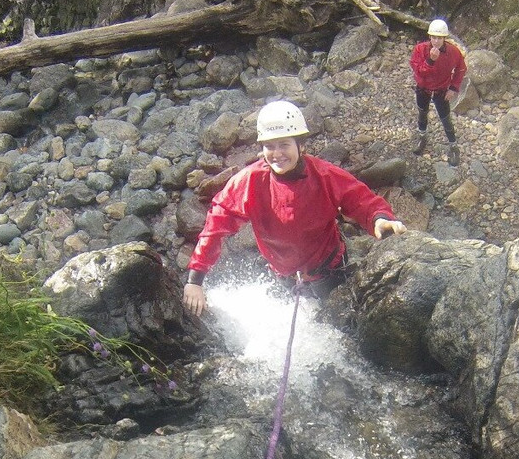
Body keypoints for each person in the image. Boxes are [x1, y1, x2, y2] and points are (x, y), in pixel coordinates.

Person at [182, 100, 407, 316]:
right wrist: (195, 280)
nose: (277, 153)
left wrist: (379, 218)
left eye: (284, 144)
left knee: (338, 321)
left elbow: (360, 199)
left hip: (329, 270)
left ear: (300, 145)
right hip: (282, 272)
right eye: (270, 146)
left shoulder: (324, 175)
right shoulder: (250, 181)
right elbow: (216, 224)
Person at [409, 19, 467, 167]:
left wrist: (453, 87)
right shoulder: (420, 50)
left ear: (444, 38)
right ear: (429, 37)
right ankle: (422, 136)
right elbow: (419, 72)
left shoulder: (453, 52)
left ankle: (453, 146)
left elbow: (461, 68)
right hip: (423, 88)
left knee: (445, 118)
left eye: (439, 38)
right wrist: (430, 60)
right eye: (434, 37)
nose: (436, 41)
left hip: (441, 90)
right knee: (422, 112)